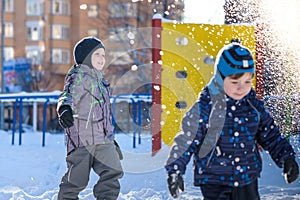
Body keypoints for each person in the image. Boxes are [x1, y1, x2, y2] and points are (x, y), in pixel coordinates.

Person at [165, 40, 299, 200]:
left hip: (247, 177)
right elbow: (186, 140)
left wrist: (287, 158)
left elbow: (271, 135)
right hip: (214, 180)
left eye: (247, 82)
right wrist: (175, 170)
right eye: (235, 82)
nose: (241, 87)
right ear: (220, 79)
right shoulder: (206, 108)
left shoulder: (253, 107)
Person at [57, 36, 123, 200]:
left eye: (103, 55)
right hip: (82, 141)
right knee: (76, 180)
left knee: (112, 171)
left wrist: (110, 138)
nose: (102, 59)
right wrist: (65, 108)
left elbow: (104, 114)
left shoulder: (102, 82)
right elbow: (68, 95)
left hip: (103, 140)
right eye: (97, 55)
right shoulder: (79, 77)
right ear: (86, 57)